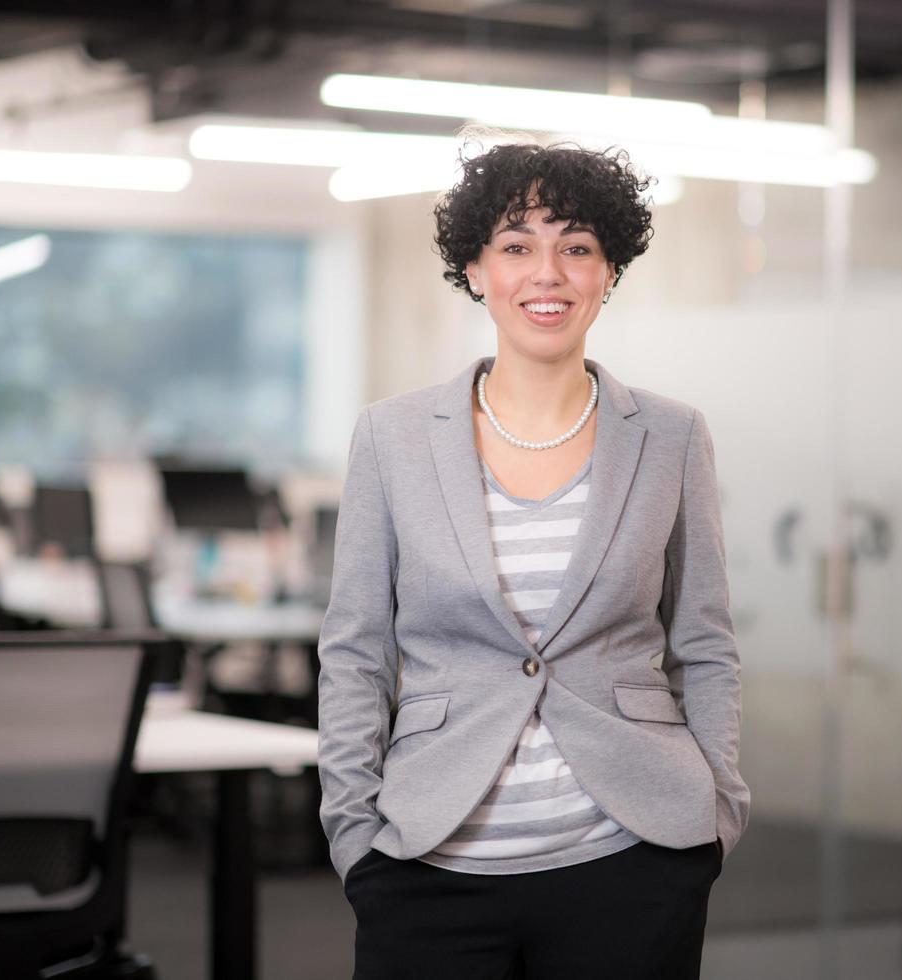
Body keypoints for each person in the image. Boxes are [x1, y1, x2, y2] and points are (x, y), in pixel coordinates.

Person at [317, 139, 750, 980]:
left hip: (634, 860)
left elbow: (704, 642)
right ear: (476, 269)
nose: (546, 272)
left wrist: (717, 813)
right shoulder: (393, 437)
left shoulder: (670, 436)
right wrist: (355, 839)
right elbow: (355, 651)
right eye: (517, 245)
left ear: (607, 272)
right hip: (426, 866)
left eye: (576, 247)